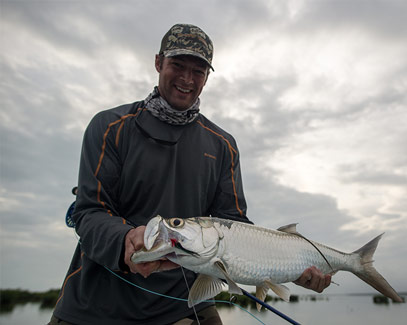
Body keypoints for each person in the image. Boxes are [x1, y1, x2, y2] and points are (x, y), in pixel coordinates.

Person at [50, 23, 331, 325]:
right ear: (158, 62)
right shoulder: (109, 127)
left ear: (208, 77)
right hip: (94, 305)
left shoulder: (222, 145)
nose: (187, 79)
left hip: (183, 304)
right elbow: (88, 212)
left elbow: (233, 227)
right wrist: (125, 239)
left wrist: (288, 267)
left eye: (198, 71)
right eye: (177, 65)